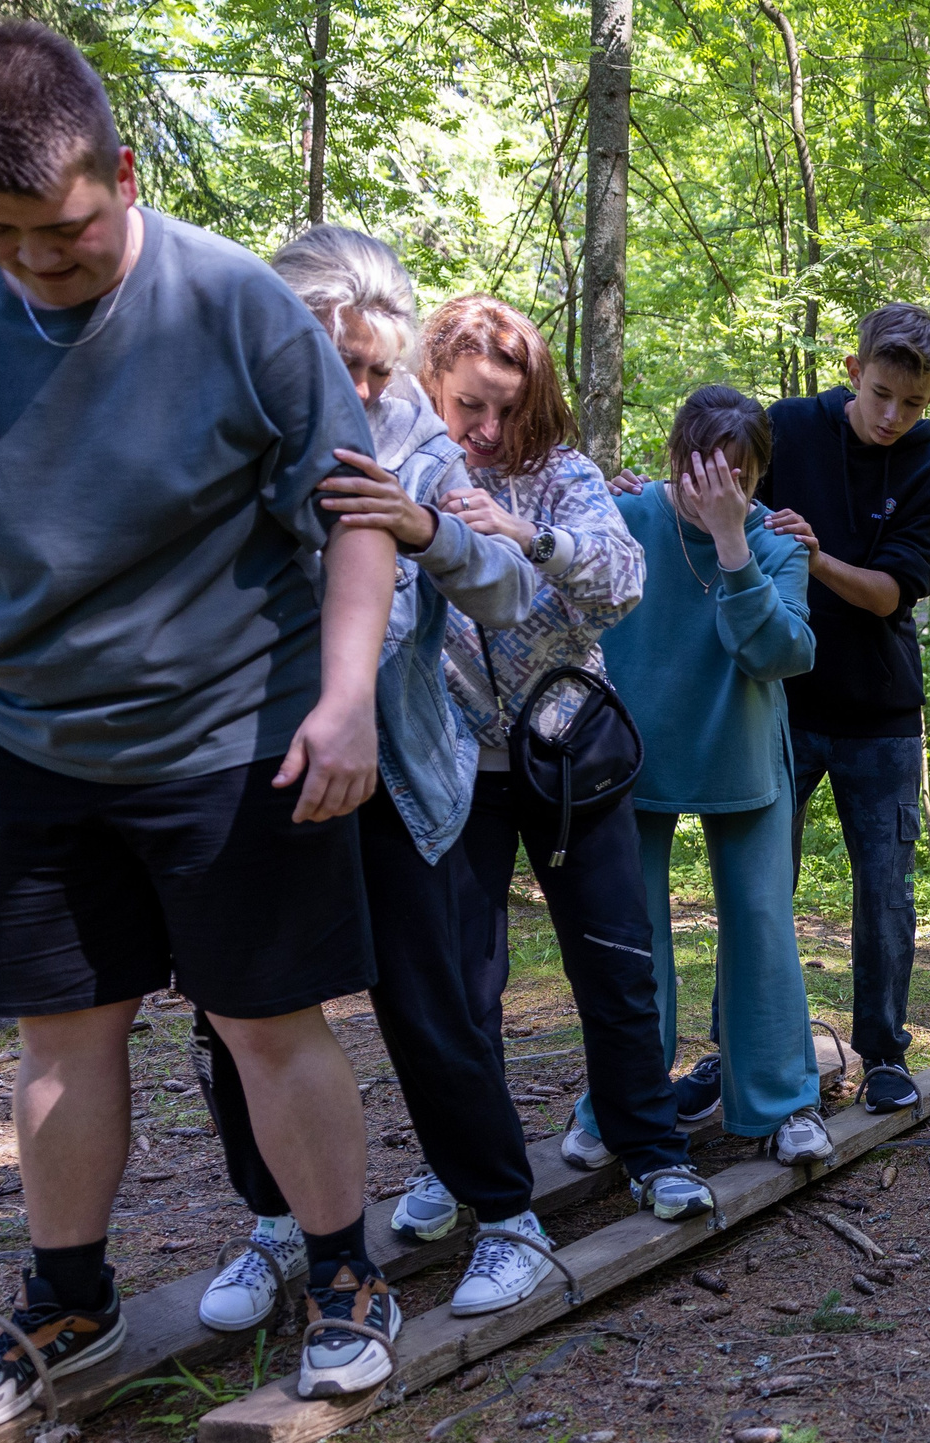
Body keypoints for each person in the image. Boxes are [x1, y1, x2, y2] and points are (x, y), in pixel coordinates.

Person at [0, 23, 399, 1428]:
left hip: (235, 734)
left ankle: (348, 1274)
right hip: (26, 734)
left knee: (264, 1019)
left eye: (62, 230)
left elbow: (356, 516)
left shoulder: (235, 308)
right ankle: (70, 1295)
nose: (35, 264)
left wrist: (346, 698)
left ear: (122, 168)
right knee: (63, 1031)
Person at [192, 224, 582, 1332]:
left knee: (431, 1000)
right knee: (247, 1012)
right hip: (249, 758)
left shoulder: (417, 439)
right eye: (341, 365)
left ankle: (508, 1220)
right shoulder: (216, 419)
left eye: (376, 367)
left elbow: (510, 589)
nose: (361, 388)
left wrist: (422, 528)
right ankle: (279, 1230)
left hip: (400, 768)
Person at [396, 294, 713, 1224]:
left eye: (507, 408)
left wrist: (528, 534)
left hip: (572, 756)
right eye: (469, 407)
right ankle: (461, 1165)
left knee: (616, 960)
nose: (489, 429)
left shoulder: (565, 474)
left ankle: (650, 1146)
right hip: (453, 766)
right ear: (432, 388)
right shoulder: (406, 472)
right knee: (463, 984)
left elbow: (623, 583)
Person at [590, 386, 833, 1165]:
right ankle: (618, 1107)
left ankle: (782, 1103)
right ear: (676, 463)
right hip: (634, 757)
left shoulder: (778, 542)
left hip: (744, 750)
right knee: (630, 939)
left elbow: (782, 653)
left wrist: (735, 547)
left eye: (742, 479)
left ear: (759, 477)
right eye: (706, 477)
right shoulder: (626, 520)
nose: (722, 494)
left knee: (762, 926)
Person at [758, 305, 930, 1114]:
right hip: (779, 702)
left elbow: (886, 594)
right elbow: (723, 512)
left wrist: (816, 556)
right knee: (760, 883)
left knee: (884, 893)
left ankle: (882, 1050)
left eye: (911, 404)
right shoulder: (785, 429)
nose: (891, 417)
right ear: (853, 370)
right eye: (880, 394)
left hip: (879, 713)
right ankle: (750, 1047)